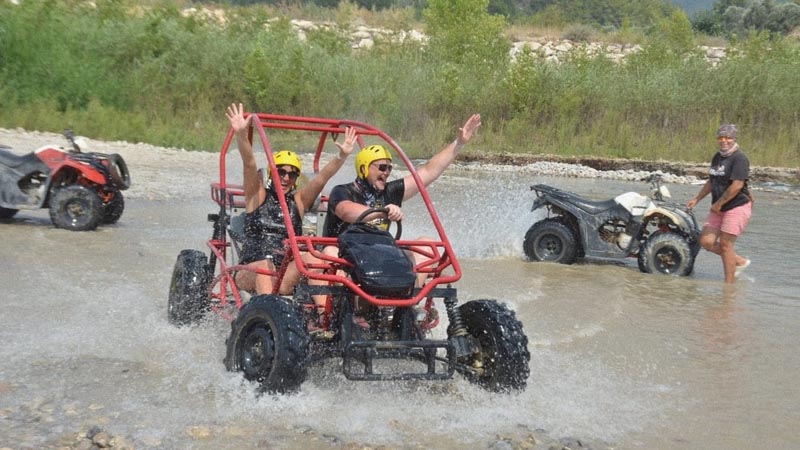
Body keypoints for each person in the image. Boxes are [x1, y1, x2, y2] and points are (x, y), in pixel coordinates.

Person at [322, 113, 482, 286]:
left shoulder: (390, 191)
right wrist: (382, 212)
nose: (386, 172)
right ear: (364, 168)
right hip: (346, 253)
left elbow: (428, 172)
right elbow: (346, 211)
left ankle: (410, 298)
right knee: (330, 251)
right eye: (382, 167)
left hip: (379, 253)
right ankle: (347, 302)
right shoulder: (342, 191)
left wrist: (459, 143)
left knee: (427, 245)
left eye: (389, 168)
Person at [225, 102, 356, 296]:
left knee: (314, 259)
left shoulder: (299, 202)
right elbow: (249, 164)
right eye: (281, 172)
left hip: (283, 275)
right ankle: (269, 310)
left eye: (292, 174)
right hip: (251, 270)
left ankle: (324, 315)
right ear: (272, 173)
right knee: (265, 267)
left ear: (296, 179)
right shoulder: (257, 196)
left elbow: (321, 178)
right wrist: (241, 136)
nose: (286, 178)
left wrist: (342, 156)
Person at [687, 123, 753, 284]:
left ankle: (728, 287)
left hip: (737, 206)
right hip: (719, 207)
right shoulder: (717, 157)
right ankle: (738, 262)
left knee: (725, 244)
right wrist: (697, 198)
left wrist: (719, 204)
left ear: (734, 139)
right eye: (721, 137)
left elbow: (737, 185)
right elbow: (712, 181)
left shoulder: (740, 158)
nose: (724, 141)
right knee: (706, 241)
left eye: (728, 138)